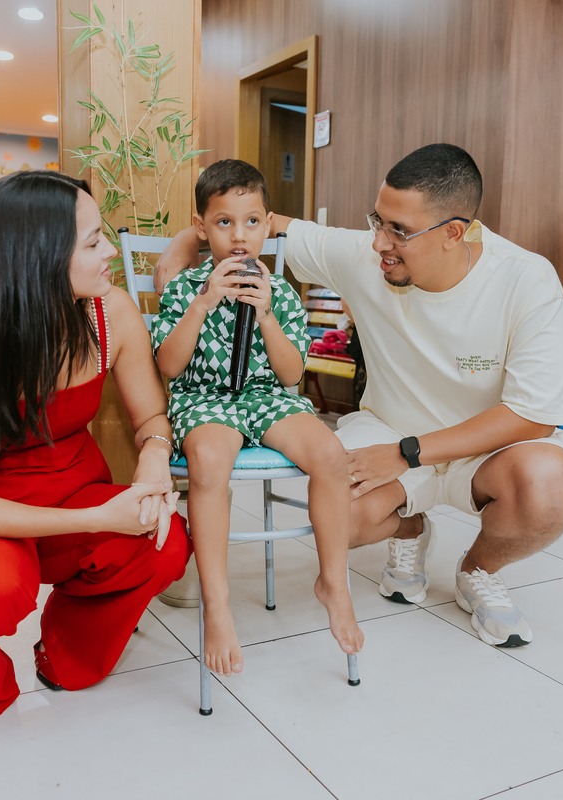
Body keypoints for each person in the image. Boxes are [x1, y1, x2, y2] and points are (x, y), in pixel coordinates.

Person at [156, 144, 563, 648]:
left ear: (454, 232)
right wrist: (183, 248)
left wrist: (406, 454)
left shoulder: (527, 279)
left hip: (481, 451)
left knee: (550, 487)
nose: (379, 242)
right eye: (377, 220)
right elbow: (261, 222)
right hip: (389, 428)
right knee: (341, 517)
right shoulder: (367, 253)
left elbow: (533, 416)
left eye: (398, 230)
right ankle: (409, 531)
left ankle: (479, 569)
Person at [0, 170, 190, 715]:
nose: (110, 250)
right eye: (92, 242)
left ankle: (66, 651)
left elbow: (153, 414)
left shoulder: (111, 315)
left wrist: (153, 464)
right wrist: (102, 518)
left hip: (75, 489)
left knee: (164, 541)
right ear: (38, 258)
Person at [151, 160, 362, 677]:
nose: (239, 236)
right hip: (204, 399)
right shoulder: (184, 289)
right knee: (206, 462)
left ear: (267, 226)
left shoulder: (283, 293)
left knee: (330, 454)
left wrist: (266, 313)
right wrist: (203, 304)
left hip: (266, 396)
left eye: (251, 222)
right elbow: (169, 366)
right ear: (202, 228)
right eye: (224, 222)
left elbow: (291, 376)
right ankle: (217, 604)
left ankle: (333, 580)